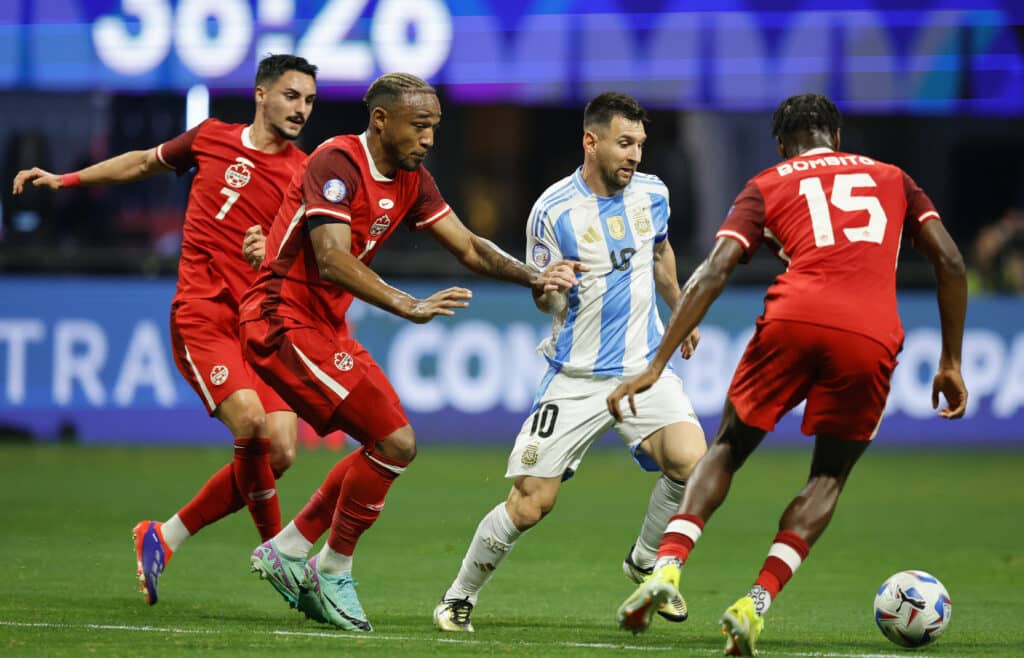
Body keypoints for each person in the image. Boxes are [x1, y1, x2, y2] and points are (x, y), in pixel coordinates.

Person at [609, 93, 968, 656]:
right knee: (827, 476)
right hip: (871, 332)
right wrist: (950, 360)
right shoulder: (895, 179)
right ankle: (755, 602)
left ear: (782, 145)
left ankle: (668, 568)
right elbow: (949, 261)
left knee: (727, 446)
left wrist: (657, 364)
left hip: (794, 316)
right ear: (837, 138)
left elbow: (713, 271)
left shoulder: (769, 183)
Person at [239, 72, 582, 632]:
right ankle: (333, 568)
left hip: (322, 324)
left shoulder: (412, 179)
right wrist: (407, 304)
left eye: (435, 127)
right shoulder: (337, 163)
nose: (429, 138)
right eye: (419, 125)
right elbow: (331, 258)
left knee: (388, 442)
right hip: (279, 318)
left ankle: (293, 547)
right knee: (395, 440)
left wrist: (534, 277)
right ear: (381, 120)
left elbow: (469, 245)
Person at [11, 54, 319, 606]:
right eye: (292, 96)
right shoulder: (210, 138)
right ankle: (279, 553)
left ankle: (164, 536)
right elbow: (139, 164)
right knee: (251, 423)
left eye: (309, 101)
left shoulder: (303, 174)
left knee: (282, 451)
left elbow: (310, 255)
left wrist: (273, 255)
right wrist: (65, 179)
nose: (301, 109)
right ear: (260, 94)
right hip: (203, 316)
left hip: (261, 324)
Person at [430, 92, 707, 633]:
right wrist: (546, 287)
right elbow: (545, 296)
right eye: (624, 143)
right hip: (576, 377)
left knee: (691, 463)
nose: (635, 156)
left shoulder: (653, 194)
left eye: (640, 145)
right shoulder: (552, 211)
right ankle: (459, 595)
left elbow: (660, 254)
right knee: (532, 503)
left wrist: (681, 311)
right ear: (592, 141)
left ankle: (646, 560)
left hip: (643, 369)